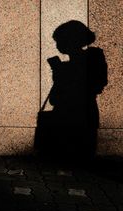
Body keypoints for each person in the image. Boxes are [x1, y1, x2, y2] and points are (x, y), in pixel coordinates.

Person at [47, 20, 107, 163]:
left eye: (60, 41)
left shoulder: (92, 58)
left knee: (74, 159)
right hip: (83, 113)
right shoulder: (91, 59)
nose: (58, 45)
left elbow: (59, 94)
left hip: (76, 115)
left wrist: (61, 72)